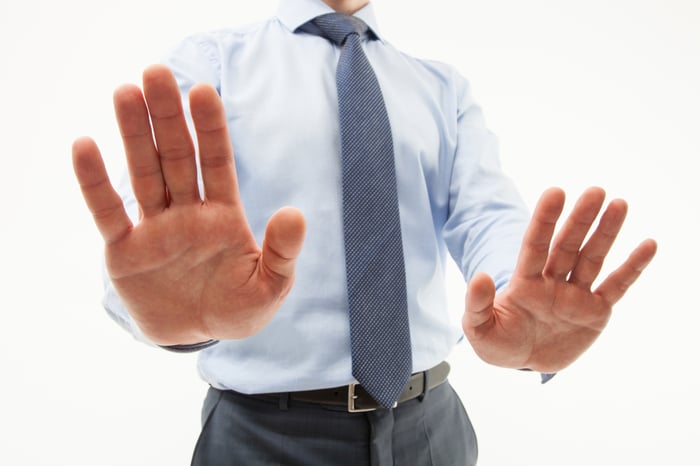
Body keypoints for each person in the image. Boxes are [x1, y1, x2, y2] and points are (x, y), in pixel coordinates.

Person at [71, 0, 657, 464]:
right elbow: (156, 240)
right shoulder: (211, 64)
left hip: (433, 431)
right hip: (262, 437)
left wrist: (515, 295)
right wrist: (177, 321)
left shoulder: (441, 87)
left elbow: (485, 213)